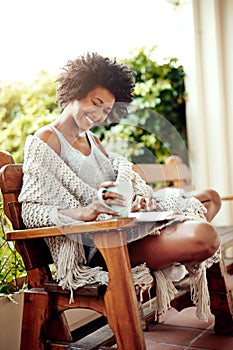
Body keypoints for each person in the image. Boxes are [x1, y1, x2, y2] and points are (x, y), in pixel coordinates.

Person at [18, 52, 221, 320]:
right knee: (204, 237)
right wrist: (85, 211)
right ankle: (172, 258)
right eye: (96, 102)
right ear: (73, 91)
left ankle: (171, 255)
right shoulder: (45, 140)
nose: (99, 115)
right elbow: (32, 212)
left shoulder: (93, 140)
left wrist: (136, 201)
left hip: (125, 226)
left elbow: (116, 191)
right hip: (101, 244)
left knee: (210, 198)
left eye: (106, 110)